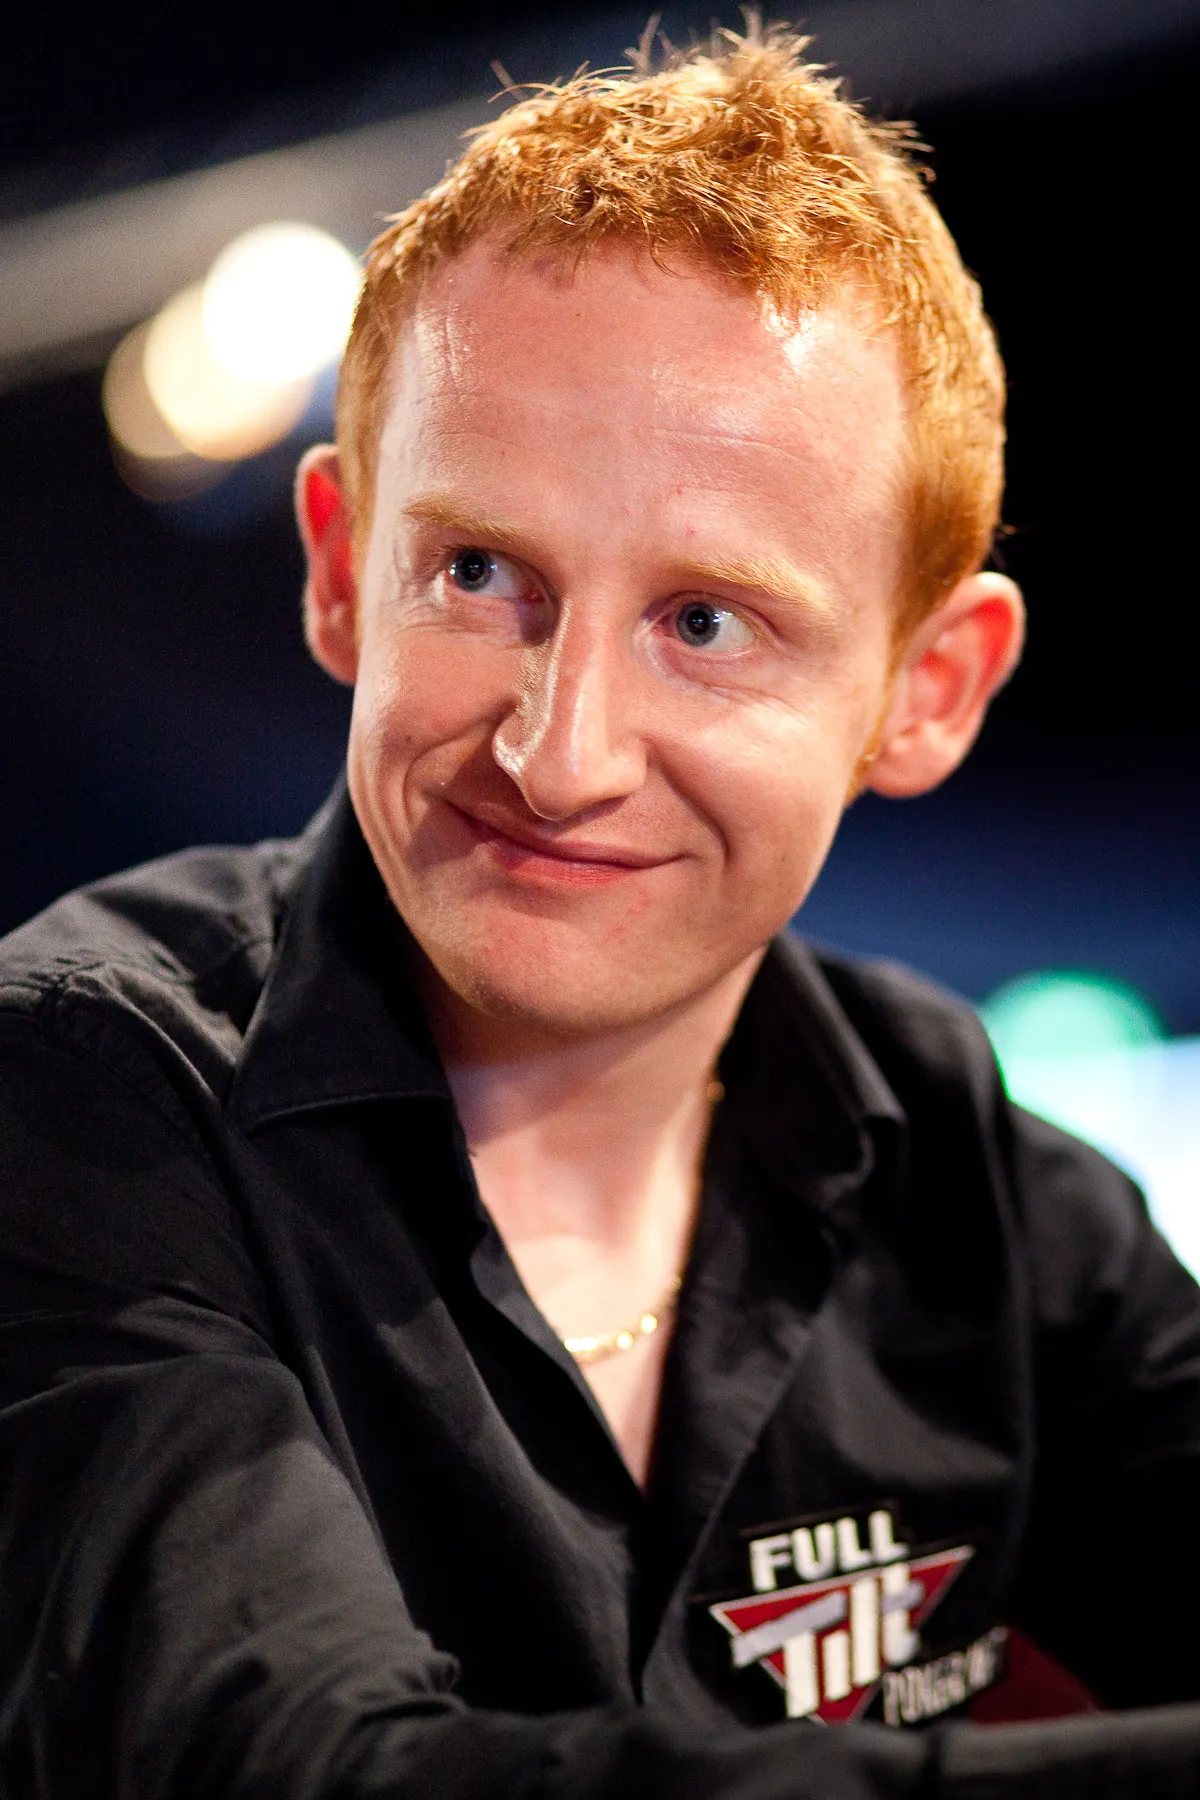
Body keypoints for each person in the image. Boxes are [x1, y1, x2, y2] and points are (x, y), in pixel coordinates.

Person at [2, 23, 1199, 1798]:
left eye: (707, 623)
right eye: (480, 573)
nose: (559, 757)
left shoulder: (971, 1175)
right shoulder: (79, 1092)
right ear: (340, 574)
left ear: (927, 691)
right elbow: (298, 1773)